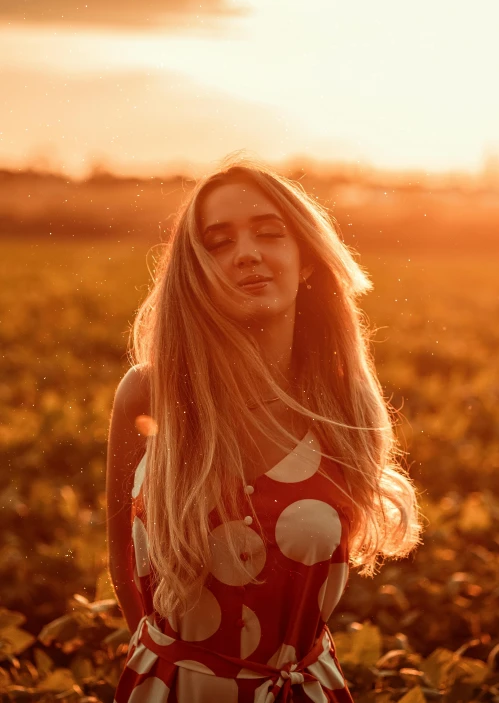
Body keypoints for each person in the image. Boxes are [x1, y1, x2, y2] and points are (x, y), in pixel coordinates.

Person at [106, 156, 421, 702]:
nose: (247, 252)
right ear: (195, 273)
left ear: (306, 262)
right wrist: (180, 668)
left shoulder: (343, 407)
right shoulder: (150, 393)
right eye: (219, 242)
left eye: (270, 233)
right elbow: (120, 562)